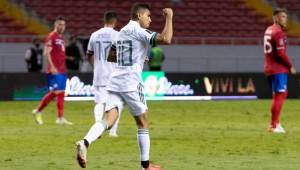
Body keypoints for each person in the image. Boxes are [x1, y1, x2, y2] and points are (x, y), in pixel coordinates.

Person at [76, 3, 173, 170]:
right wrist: (170, 17)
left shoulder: (121, 32)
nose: (150, 19)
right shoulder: (138, 31)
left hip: (115, 82)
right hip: (132, 83)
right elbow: (166, 39)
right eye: (148, 16)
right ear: (138, 16)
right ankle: (145, 165)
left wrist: (138, 57)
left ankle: (85, 142)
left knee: (108, 120)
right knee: (142, 122)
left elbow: (111, 56)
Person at [32, 16, 73, 125]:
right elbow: (47, 53)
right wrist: (52, 66)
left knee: (59, 93)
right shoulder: (52, 36)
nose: (62, 26)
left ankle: (57, 117)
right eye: (60, 24)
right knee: (57, 92)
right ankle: (41, 112)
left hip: (62, 69)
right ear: (55, 25)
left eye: (63, 25)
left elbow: (60, 54)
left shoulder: (62, 38)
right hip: (55, 70)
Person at [263, 8, 296, 133]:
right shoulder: (278, 32)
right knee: (280, 95)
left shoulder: (268, 30)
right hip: (278, 69)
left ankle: (275, 122)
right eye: (282, 16)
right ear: (276, 18)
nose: (285, 19)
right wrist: (290, 66)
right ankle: (273, 125)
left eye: (285, 17)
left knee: (279, 94)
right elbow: (281, 54)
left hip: (269, 68)